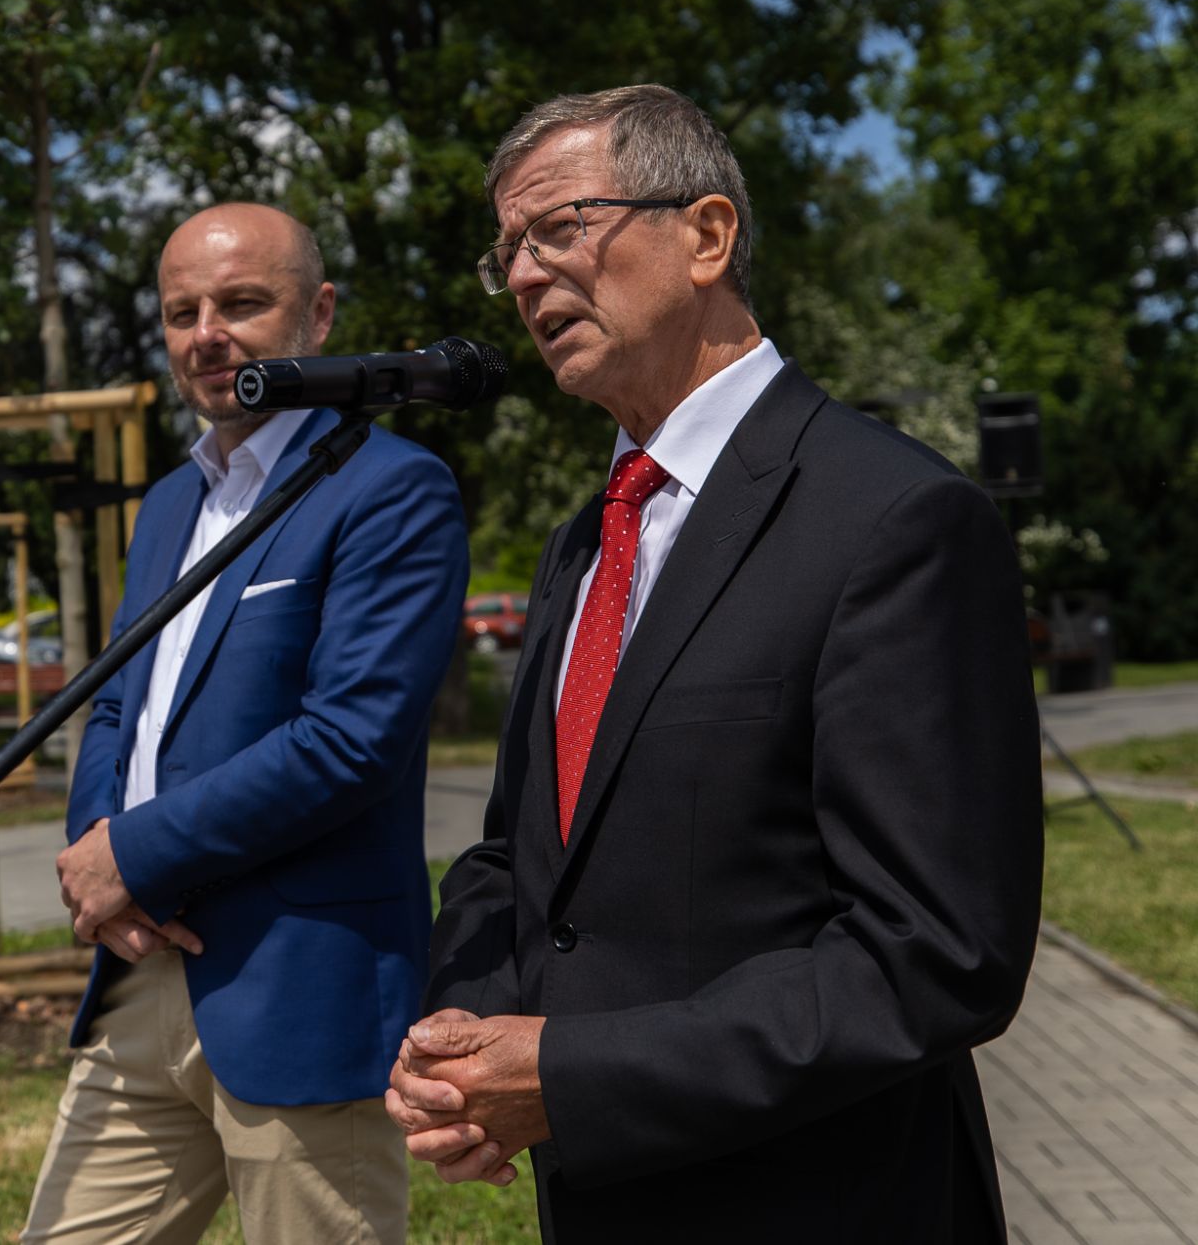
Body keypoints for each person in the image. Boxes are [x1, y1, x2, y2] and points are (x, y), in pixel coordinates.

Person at [383, 86, 1044, 1243]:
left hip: (819, 1204)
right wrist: (467, 1028)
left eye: (557, 227)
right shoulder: (585, 539)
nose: (526, 275)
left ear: (705, 234)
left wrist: (575, 1075)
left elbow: (937, 954)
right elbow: (512, 852)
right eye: (506, 252)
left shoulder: (892, 518)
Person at [21, 204, 469, 1243]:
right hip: (140, 971)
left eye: (240, 303)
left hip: (298, 982)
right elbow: (119, 704)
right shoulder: (170, 501)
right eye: (182, 311)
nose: (206, 334)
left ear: (315, 314)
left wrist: (130, 854)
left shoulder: (392, 489)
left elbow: (347, 740)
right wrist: (99, 857)